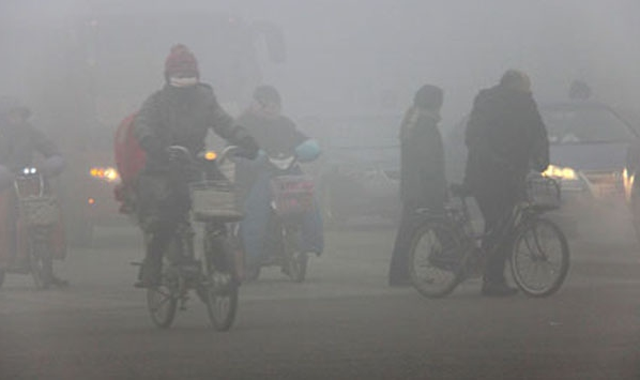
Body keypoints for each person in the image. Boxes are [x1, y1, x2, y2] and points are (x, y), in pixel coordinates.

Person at [133, 44, 259, 287]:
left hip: (197, 160)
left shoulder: (205, 98)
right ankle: (153, 263)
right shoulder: (156, 102)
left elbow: (223, 122)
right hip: (165, 164)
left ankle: (218, 244)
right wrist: (153, 144)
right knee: (168, 213)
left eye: (189, 75)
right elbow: (143, 124)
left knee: (221, 196)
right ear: (168, 77)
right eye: (180, 76)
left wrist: (245, 140)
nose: (186, 82)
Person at [464, 70, 549, 296]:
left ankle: (493, 275)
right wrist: (496, 159)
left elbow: (538, 132)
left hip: (503, 174)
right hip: (492, 174)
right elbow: (474, 137)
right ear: (514, 85)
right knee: (498, 224)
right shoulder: (496, 102)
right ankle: (491, 279)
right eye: (526, 85)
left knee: (502, 225)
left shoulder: (515, 103)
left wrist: (540, 157)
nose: (529, 89)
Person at [235, 85, 323, 276]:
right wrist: (249, 156)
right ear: (255, 104)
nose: (270, 108)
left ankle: (311, 243)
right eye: (265, 104)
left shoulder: (285, 124)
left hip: (287, 174)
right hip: (254, 178)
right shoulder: (244, 125)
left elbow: (302, 139)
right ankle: (252, 255)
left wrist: (310, 147)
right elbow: (234, 147)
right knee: (255, 209)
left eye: (274, 104)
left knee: (309, 200)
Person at [0, 97, 67, 286]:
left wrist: (54, 160)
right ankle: (5, 256)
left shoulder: (30, 131)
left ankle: (48, 267)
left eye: (21, 114)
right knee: (5, 216)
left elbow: (49, 147)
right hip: (4, 182)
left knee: (47, 213)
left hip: (27, 179)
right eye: (13, 114)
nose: (17, 118)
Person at [388, 84, 447, 287]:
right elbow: (429, 161)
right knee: (440, 225)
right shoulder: (425, 125)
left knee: (408, 232)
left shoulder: (412, 122)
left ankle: (399, 274)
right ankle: (455, 265)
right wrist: (439, 188)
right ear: (435, 104)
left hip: (413, 188)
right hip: (425, 188)